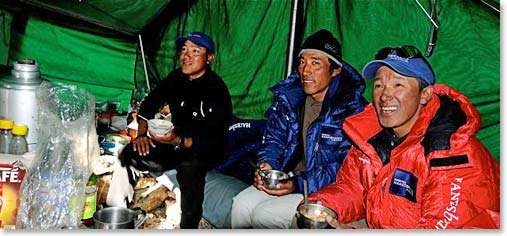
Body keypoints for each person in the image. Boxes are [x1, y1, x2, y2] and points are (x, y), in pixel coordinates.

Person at [306, 45, 500, 229]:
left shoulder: (453, 153)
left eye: (398, 84)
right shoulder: (371, 139)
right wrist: (323, 206)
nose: (384, 95)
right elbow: (353, 188)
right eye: (379, 85)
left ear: (425, 94)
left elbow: (442, 225)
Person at [230, 29, 367, 229]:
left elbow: (346, 169)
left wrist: (297, 183)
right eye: (302, 62)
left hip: (324, 189)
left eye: (315, 63)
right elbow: (274, 139)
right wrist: (267, 164)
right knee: (241, 205)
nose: (305, 71)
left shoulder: (352, 110)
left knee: (264, 215)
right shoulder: (291, 99)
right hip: (289, 178)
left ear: (335, 70)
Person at [119, 32, 233, 229]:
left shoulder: (216, 90)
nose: (186, 56)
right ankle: (119, 211)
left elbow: (212, 142)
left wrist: (177, 142)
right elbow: (148, 104)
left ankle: (189, 225)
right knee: (129, 152)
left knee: (189, 167)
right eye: (183, 50)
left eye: (195, 51)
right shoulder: (176, 78)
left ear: (209, 58)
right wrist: (141, 135)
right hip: (175, 141)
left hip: (204, 149)